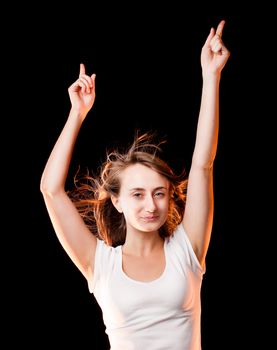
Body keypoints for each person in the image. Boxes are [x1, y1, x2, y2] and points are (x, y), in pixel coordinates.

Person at [40, 19, 230, 350]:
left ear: (170, 197)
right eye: (138, 194)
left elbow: (203, 163)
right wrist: (77, 113)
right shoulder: (100, 264)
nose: (150, 205)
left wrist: (211, 77)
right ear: (117, 201)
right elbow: (51, 190)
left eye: (159, 193)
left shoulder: (188, 250)